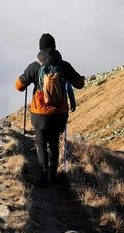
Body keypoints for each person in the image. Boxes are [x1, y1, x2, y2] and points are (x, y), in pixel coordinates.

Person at [15, 33, 85, 185]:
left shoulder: (35, 66)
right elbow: (79, 83)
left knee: (40, 143)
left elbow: (19, 86)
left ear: (40, 47)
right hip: (59, 113)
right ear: (54, 46)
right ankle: (53, 174)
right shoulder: (63, 65)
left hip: (39, 113)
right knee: (53, 142)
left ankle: (43, 174)